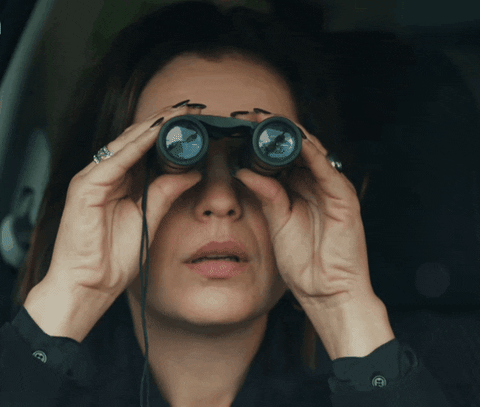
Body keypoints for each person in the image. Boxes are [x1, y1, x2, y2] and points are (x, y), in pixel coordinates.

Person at [0, 1, 454, 406]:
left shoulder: (440, 367)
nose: (220, 201)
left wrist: (343, 308)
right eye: (170, 152)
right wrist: (72, 296)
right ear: (102, 191)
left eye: (267, 157)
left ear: (316, 190)